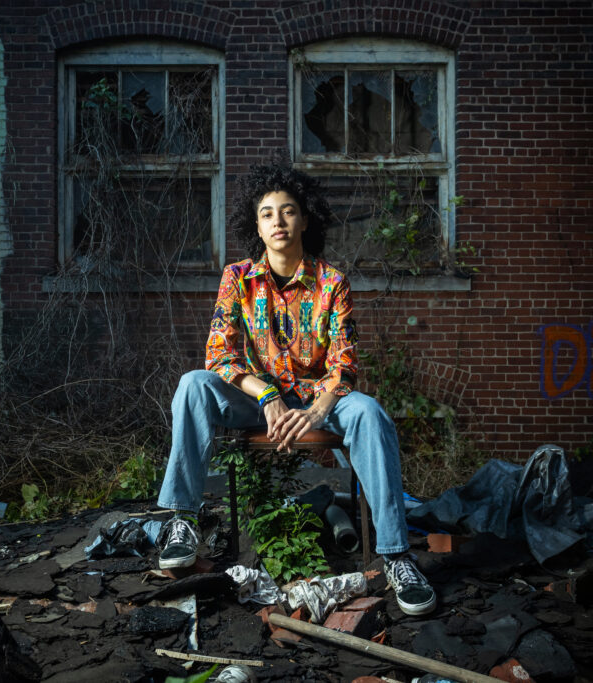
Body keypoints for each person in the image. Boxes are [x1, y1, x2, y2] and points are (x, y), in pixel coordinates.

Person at [155, 162, 437, 616]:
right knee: (193, 384)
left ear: (305, 219)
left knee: (370, 413)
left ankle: (396, 557)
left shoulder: (332, 283)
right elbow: (220, 355)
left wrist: (320, 408)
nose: (278, 221)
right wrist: (265, 396)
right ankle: (182, 522)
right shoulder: (238, 279)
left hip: (317, 398)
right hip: (255, 399)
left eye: (288, 211)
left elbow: (345, 362)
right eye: (267, 214)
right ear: (258, 226)